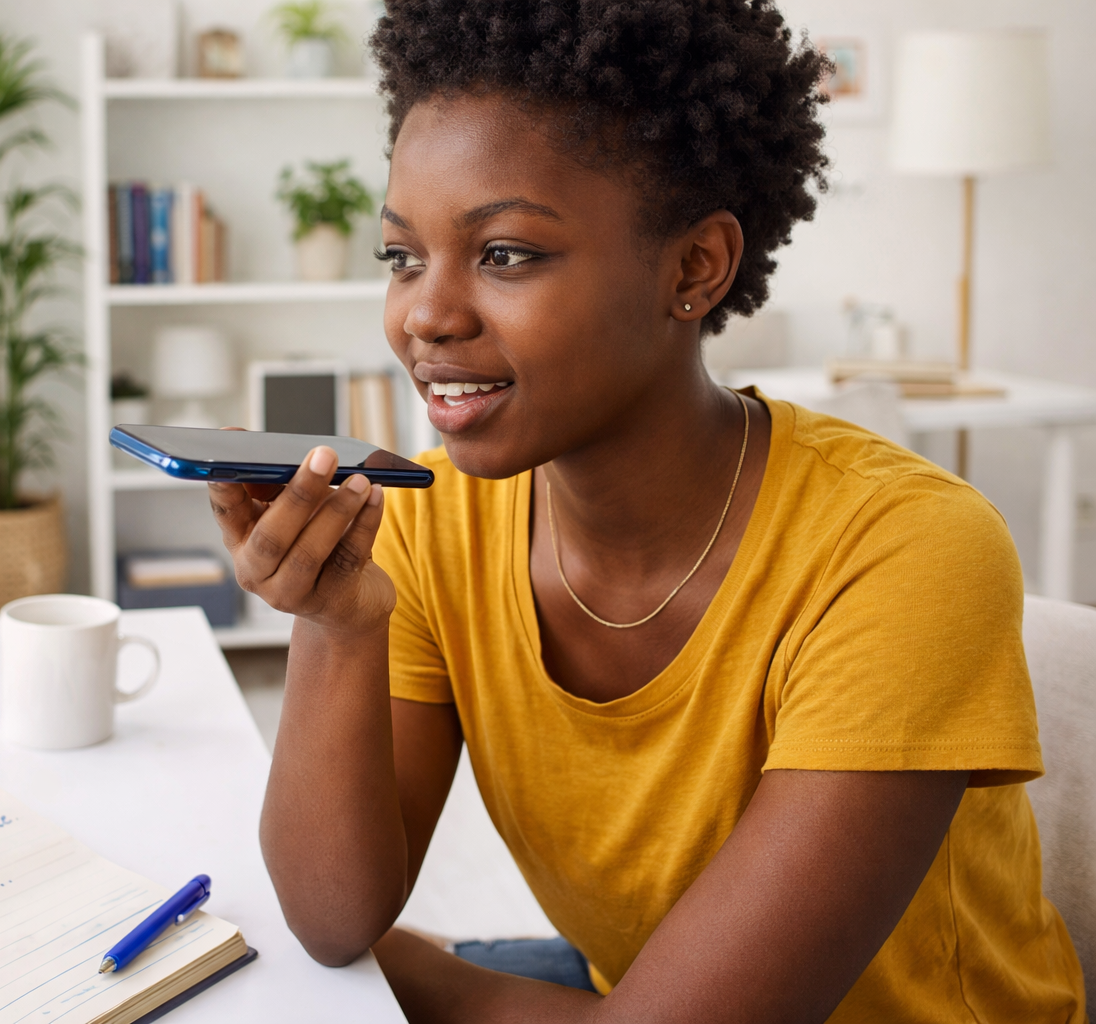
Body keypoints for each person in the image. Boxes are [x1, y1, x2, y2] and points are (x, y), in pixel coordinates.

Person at [207, 1, 1086, 1020]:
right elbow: (331, 918)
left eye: (504, 255)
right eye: (402, 256)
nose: (426, 316)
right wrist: (334, 622)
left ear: (693, 268)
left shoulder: (902, 552)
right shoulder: (433, 521)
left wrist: (413, 978)